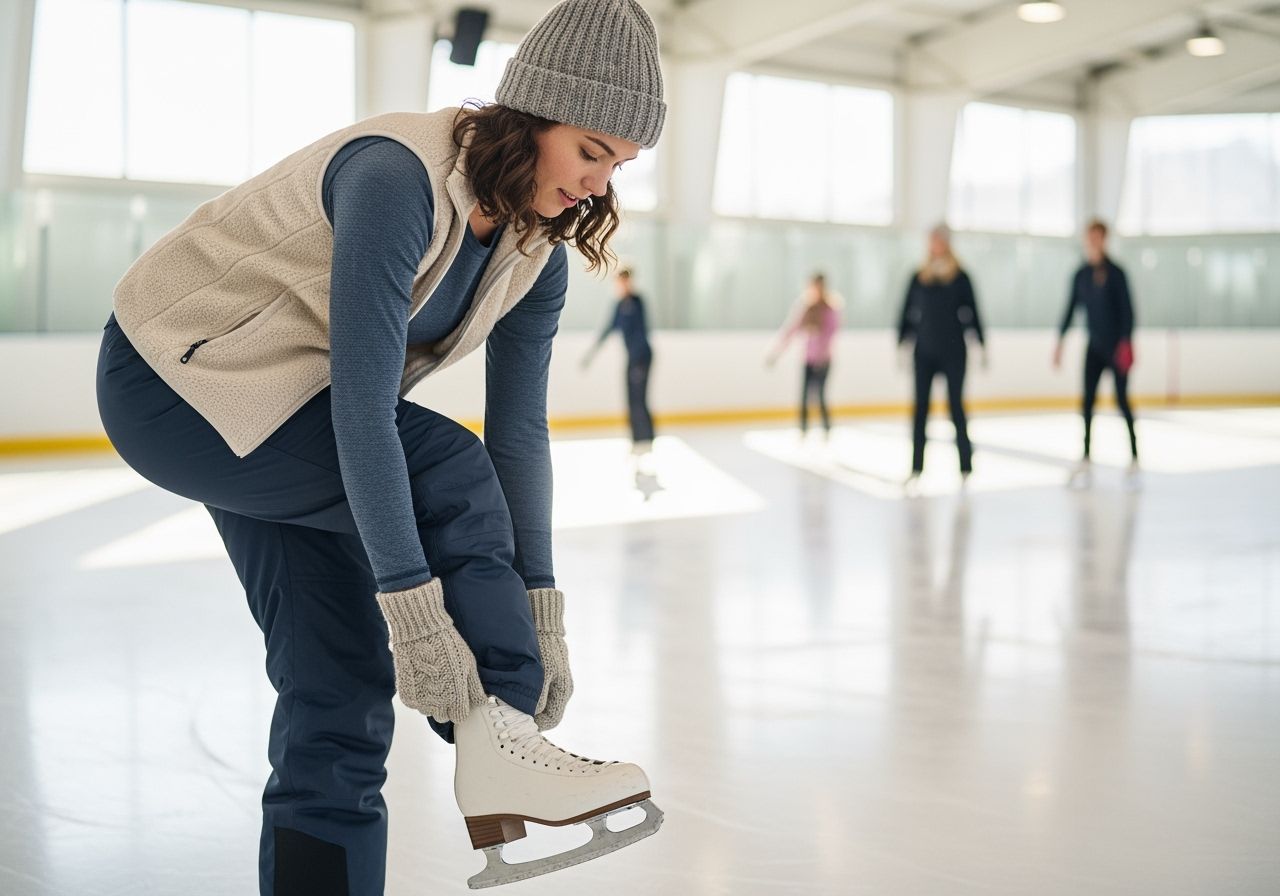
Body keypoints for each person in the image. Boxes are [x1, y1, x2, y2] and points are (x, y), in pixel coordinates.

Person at [94, 1, 666, 892]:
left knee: (338, 686)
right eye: (591, 150)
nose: (599, 184)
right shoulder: (398, 176)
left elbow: (520, 432)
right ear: (529, 116)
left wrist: (540, 603)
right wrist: (414, 603)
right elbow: (368, 411)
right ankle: (501, 742)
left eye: (620, 165)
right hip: (176, 384)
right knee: (446, 465)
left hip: (287, 408)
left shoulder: (533, 255)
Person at [896, 224, 986, 488]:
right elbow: (907, 312)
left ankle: (965, 465)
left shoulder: (959, 276)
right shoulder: (919, 276)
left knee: (956, 407)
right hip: (924, 350)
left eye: (939, 240)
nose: (934, 245)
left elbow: (973, 312)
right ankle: (916, 467)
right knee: (920, 409)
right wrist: (902, 340)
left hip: (953, 351)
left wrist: (981, 342)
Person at [1053, 218, 1138, 483]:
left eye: (1098, 237)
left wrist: (1126, 342)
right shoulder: (1081, 275)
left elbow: (1128, 311)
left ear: (1104, 239)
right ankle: (1086, 455)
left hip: (1116, 347)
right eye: (1090, 237)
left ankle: (1134, 454)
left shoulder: (1116, 273)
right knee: (1087, 401)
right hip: (1094, 346)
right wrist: (1060, 342)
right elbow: (1070, 309)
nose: (1093, 242)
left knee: (1121, 400)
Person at [582, 267, 655, 453]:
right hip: (631, 358)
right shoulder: (619, 305)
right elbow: (608, 329)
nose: (622, 284)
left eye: (625, 280)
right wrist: (591, 354)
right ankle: (636, 440)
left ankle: (646, 440)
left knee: (639, 399)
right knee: (631, 399)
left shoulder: (637, 302)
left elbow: (642, 331)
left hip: (642, 357)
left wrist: (638, 362)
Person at [766, 272, 842, 438]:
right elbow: (790, 330)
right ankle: (803, 429)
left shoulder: (830, 309)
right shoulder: (805, 308)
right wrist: (775, 352)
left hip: (824, 360)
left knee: (820, 395)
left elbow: (830, 335)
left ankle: (826, 429)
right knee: (804, 395)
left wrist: (822, 355)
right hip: (808, 358)